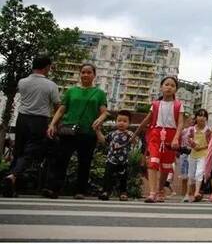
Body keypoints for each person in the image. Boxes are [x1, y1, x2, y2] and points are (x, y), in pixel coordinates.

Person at [43, 63, 108, 199]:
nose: (85, 75)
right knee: (61, 160)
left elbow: (104, 112)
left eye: (89, 72)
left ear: (94, 75)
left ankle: (80, 191)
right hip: (68, 130)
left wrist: (101, 119)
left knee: (84, 162)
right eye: (83, 72)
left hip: (88, 133)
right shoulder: (71, 91)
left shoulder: (100, 93)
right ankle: (54, 189)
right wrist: (52, 124)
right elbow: (61, 109)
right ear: (80, 74)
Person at [3, 56, 60, 198]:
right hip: (39, 120)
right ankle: (12, 176)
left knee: (19, 151)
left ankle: (11, 186)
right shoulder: (51, 85)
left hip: (21, 119)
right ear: (47, 67)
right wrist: (54, 123)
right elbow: (57, 106)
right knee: (30, 152)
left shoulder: (22, 82)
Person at [135, 76, 185, 203]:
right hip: (156, 135)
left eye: (172, 85)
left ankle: (160, 189)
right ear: (161, 87)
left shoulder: (179, 105)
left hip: (171, 136)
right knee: (153, 161)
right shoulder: (155, 104)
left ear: (175, 90)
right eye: (166, 84)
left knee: (166, 166)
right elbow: (147, 120)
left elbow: (180, 124)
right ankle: (152, 193)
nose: (169, 87)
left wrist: (175, 139)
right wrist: (135, 134)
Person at [96, 110, 136, 201]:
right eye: (119, 120)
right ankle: (106, 192)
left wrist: (133, 136)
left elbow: (135, 142)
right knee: (108, 176)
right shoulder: (112, 133)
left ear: (129, 123)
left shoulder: (129, 134)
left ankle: (123, 193)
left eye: (125, 121)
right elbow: (103, 140)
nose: (121, 123)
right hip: (111, 160)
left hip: (123, 161)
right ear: (116, 121)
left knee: (123, 178)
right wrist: (98, 131)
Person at [186, 109, 211, 202]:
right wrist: (192, 144)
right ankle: (188, 194)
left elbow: (210, 143)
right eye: (200, 115)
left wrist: (200, 147)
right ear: (196, 118)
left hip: (203, 154)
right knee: (191, 174)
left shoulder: (208, 130)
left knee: (199, 173)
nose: (202, 118)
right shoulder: (192, 129)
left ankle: (197, 192)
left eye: (204, 116)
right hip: (193, 154)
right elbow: (188, 138)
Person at [178, 118, 194, 202]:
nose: (191, 122)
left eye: (192, 121)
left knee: (190, 175)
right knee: (184, 175)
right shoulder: (183, 131)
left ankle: (190, 194)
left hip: (191, 153)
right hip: (183, 153)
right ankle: (183, 194)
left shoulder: (194, 130)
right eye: (189, 120)